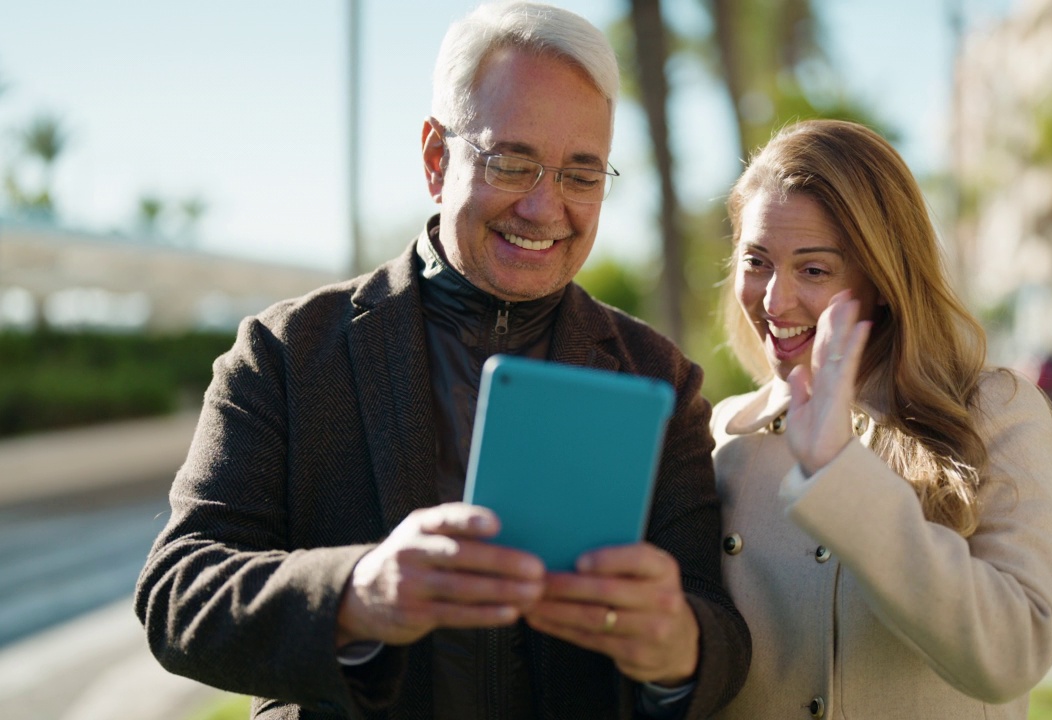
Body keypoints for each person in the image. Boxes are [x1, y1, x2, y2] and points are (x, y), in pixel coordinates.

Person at [134, 3, 749, 718]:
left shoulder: (658, 378)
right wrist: (360, 594)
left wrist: (680, 646)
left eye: (582, 176)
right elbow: (178, 592)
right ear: (435, 158)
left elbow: (718, 629)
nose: (545, 207)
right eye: (512, 163)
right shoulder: (284, 353)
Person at [709, 119, 1052, 718]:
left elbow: (1014, 654)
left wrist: (837, 470)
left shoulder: (994, 413)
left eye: (814, 269)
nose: (774, 301)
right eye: (757, 261)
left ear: (882, 277)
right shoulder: (722, 435)